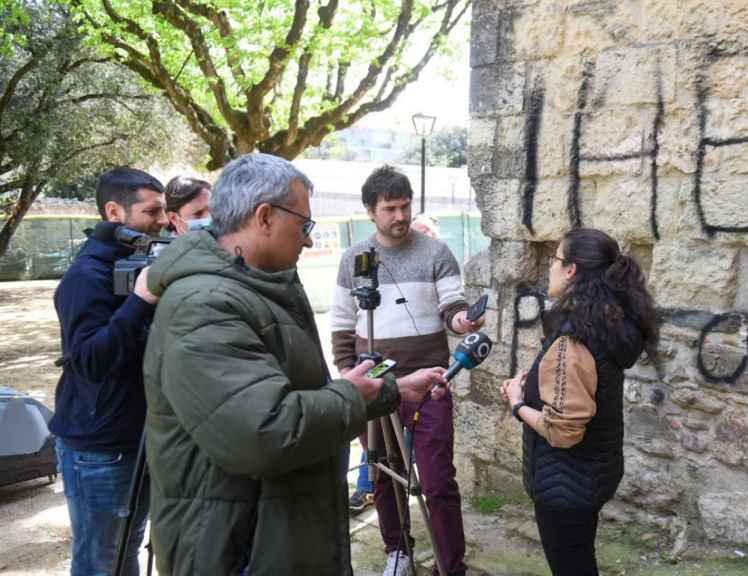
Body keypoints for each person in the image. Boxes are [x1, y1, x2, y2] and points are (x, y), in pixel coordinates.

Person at [141, 153, 446, 575]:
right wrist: (355, 394)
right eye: (304, 225)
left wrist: (393, 389)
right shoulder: (204, 306)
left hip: (278, 537)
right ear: (264, 217)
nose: (307, 241)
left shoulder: (259, 286)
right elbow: (265, 432)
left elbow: (295, 397)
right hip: (239, 550)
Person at [330, 165, 483, 576]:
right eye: (390, 208)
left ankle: (450, 564)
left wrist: (464, 321)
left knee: (437, 482)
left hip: (431, 382)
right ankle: (397, 551)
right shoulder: (354, 259)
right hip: (375, 385)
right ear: (370, 212)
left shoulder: (436, 253)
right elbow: (343, 323)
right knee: (384, 473)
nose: (400, 216)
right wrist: (349, 373)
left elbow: (452, 308)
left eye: (405, 206)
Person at [500, 228, 658, 576]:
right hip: (592, 474)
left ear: (571, 270)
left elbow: (563, 431)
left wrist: (517, 403)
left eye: (556, 260)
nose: (551, 268)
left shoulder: (574, 336)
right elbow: (584, 384)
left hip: (565, 487)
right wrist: (538, 384)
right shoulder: (609, 319)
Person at [50, 167, 167, 576]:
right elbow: (88, 362)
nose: (163, 221)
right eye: (152, 211)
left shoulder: (137, 263)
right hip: (99, 450)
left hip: (138, 437)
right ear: (114, 211)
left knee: (126, 550)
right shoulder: (85, 277)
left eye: (165, 210)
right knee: (102, 562)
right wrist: (140, 301)